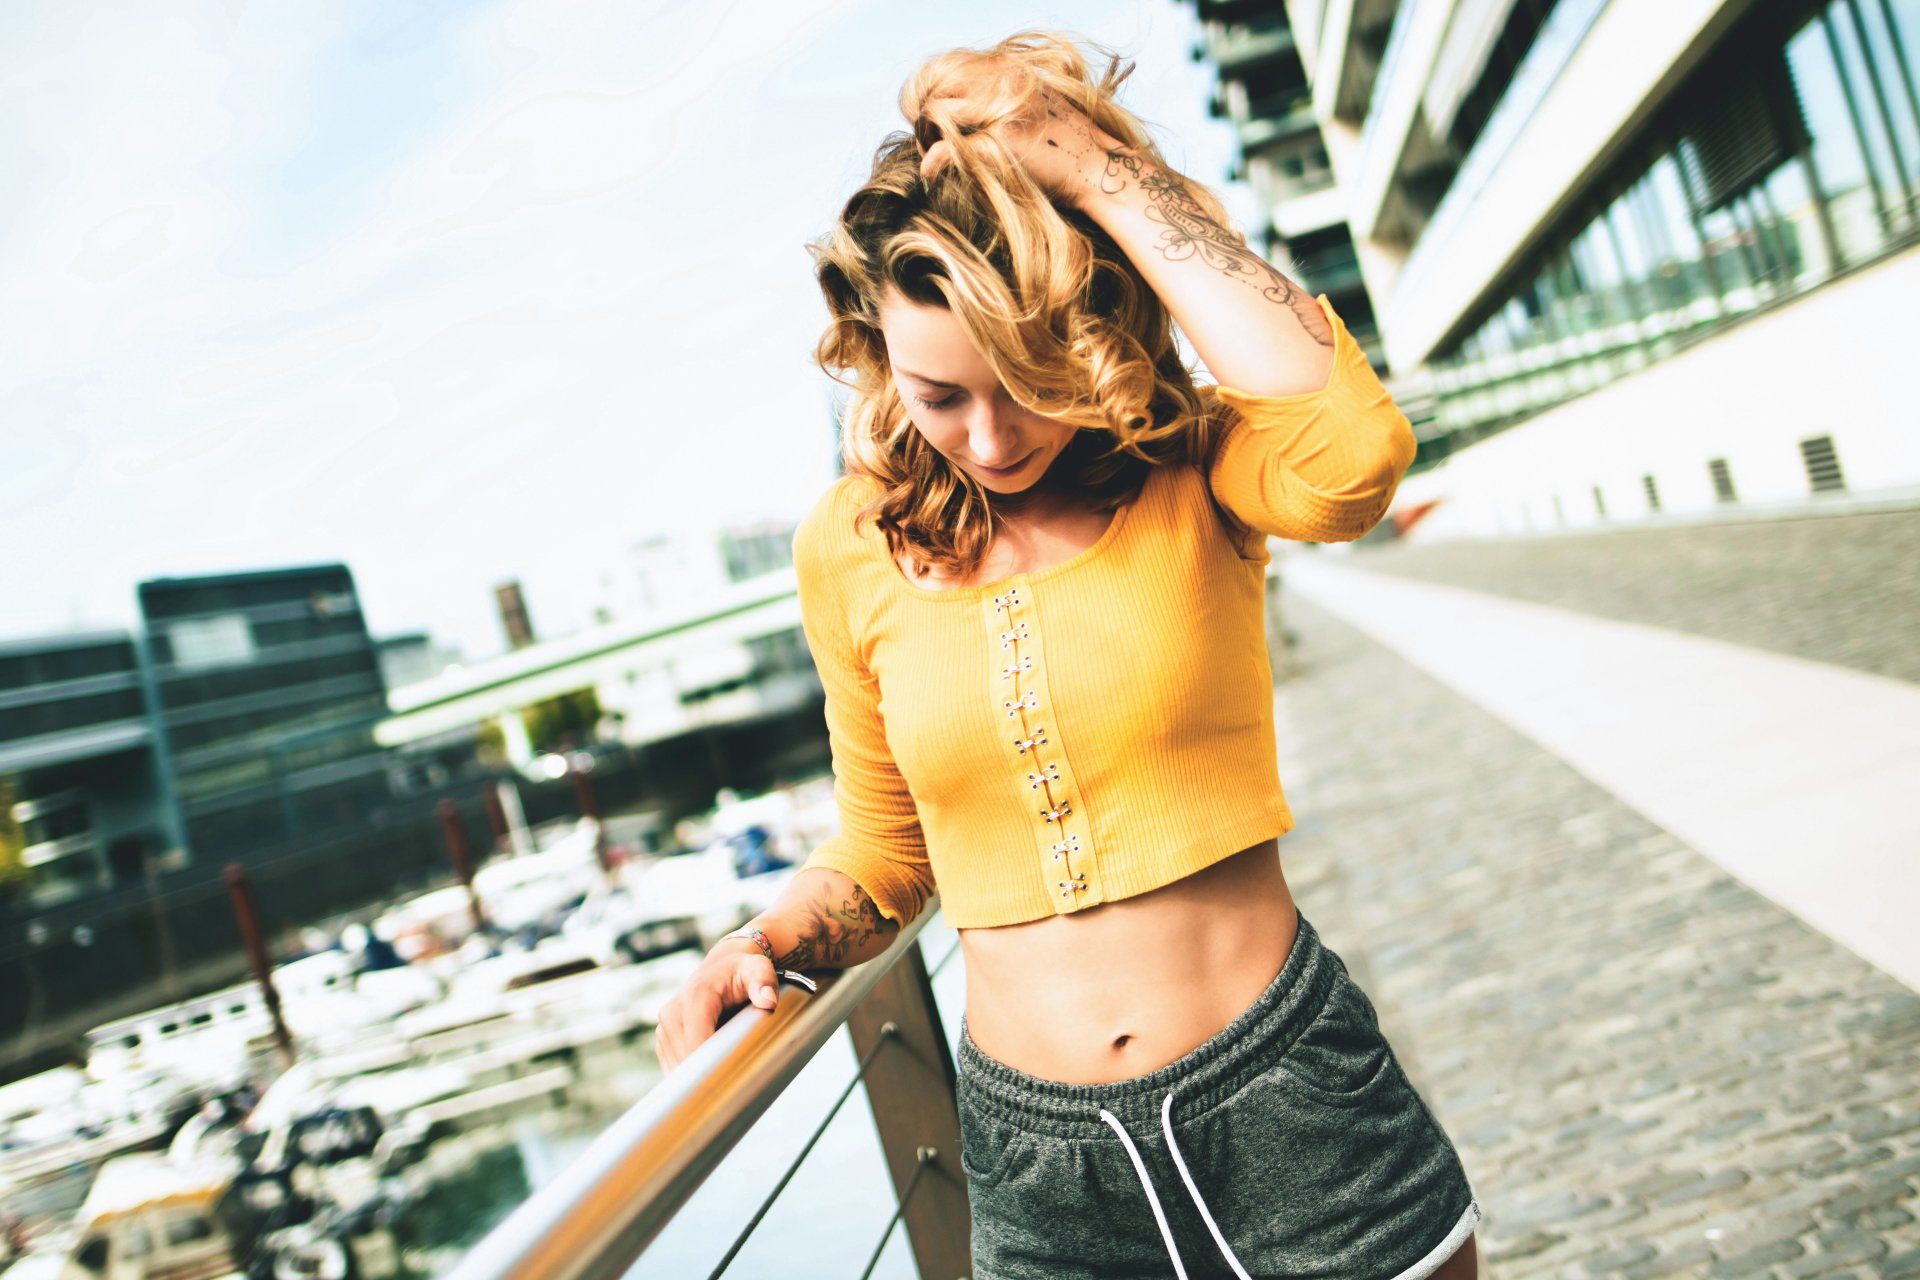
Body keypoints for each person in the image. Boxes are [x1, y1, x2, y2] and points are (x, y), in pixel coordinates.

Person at [654, 30, 1482, 1280]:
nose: (990, 439)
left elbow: (1352, 459)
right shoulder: (848, 547)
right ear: (878, 358)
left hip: (1293, 1110)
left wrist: (1102, 174)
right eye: (940, 395)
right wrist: (765, 939)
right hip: (1039, 1176)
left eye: (1026, 380)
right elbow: (887, 853)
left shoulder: (1192, 463)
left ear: (1087, 336)